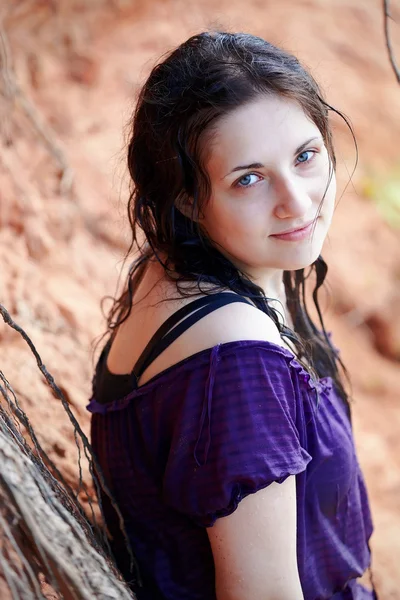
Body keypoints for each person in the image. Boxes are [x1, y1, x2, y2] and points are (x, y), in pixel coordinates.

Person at [87, 31, 378, 600]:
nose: (297, 201)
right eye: (248, 178)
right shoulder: (237, 361)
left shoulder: (185, 269)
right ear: (189, 199)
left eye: (305, 155)